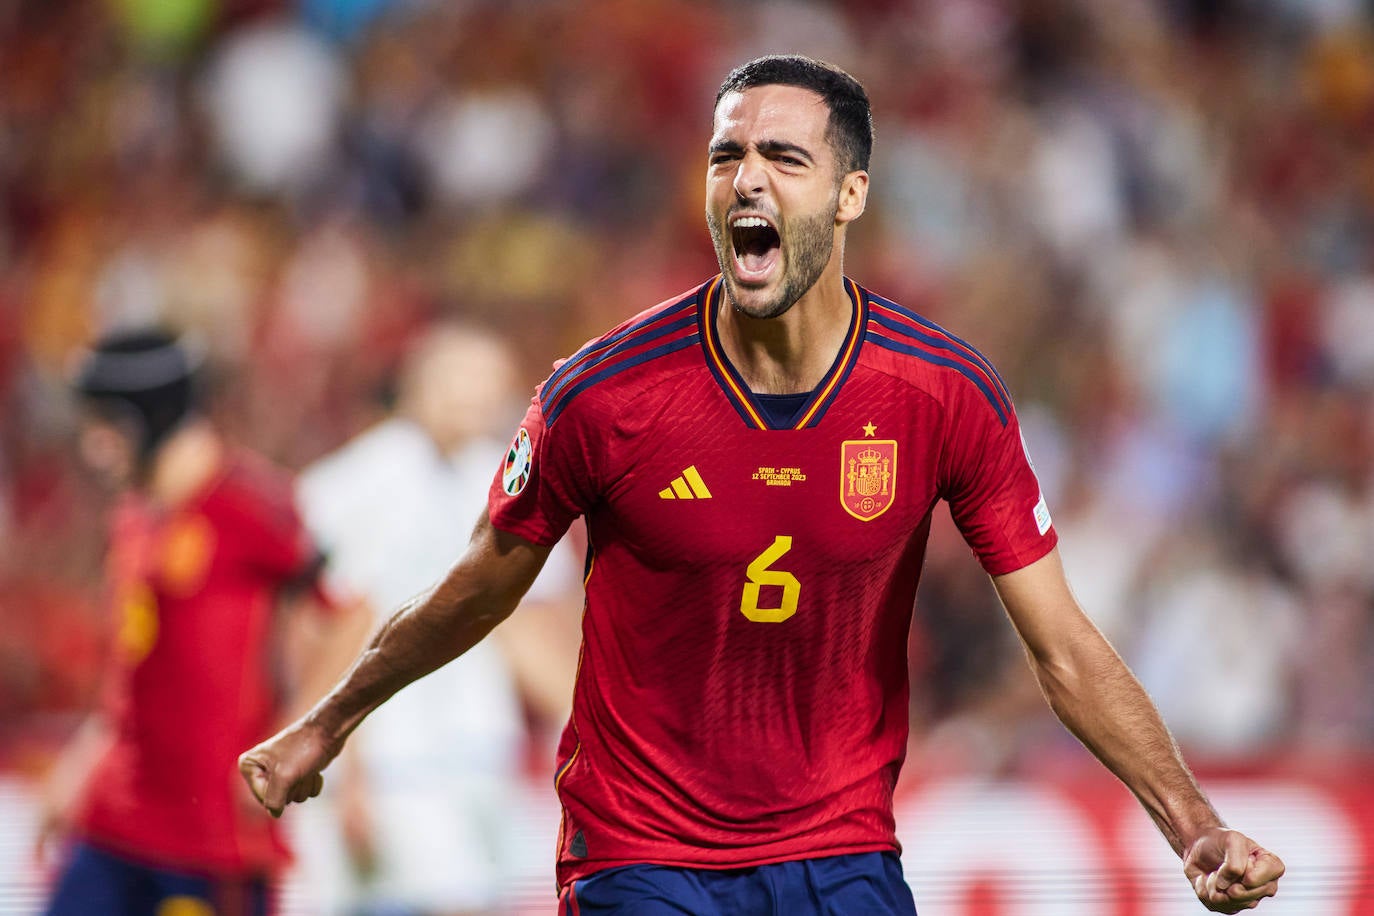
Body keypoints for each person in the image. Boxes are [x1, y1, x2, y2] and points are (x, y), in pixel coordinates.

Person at [239, 55, 1286, 915]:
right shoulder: (601, 396)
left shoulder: (942, 394)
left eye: (784, 156)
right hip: (641, 857)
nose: (746, 178)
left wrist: (1192, 827)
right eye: (726, 154)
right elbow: (477, 587)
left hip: (841, 851)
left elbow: (1063, 647)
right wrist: (328, 723)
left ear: (850, 194)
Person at [37, 328, 363, 916]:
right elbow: (135, 664)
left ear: (150, 418)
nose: (93, 447)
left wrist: (301, 733)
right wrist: (82, 763)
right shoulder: (135, 511)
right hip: (112, 818)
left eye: (105, 427)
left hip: (212, 837)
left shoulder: (253, 505)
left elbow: (351, 617)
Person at [290, 322, 582, 916]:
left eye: (490, 382)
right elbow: (329, 635)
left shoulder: (509, 478)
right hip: (393, 763)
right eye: (461, 379)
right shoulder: (353, 486)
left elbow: (523, 632)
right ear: (418, 384)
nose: (476, 396)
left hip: (477, 751)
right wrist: (341, 764)